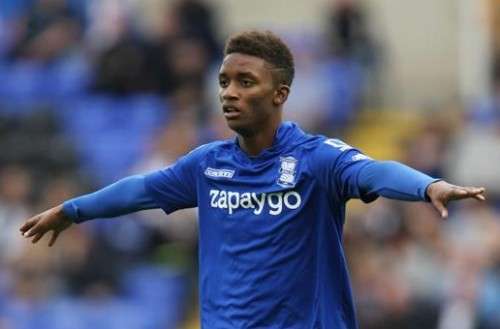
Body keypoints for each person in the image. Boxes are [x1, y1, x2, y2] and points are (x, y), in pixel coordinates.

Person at [19, 30, 486, 329]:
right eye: (224, 81)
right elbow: (142, 190)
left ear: (280, 93)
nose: (229, 93)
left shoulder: (314, 159)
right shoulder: (207, 165)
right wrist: (73, 210)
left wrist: (428, 186)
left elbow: (373, 171)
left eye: (245, 82)